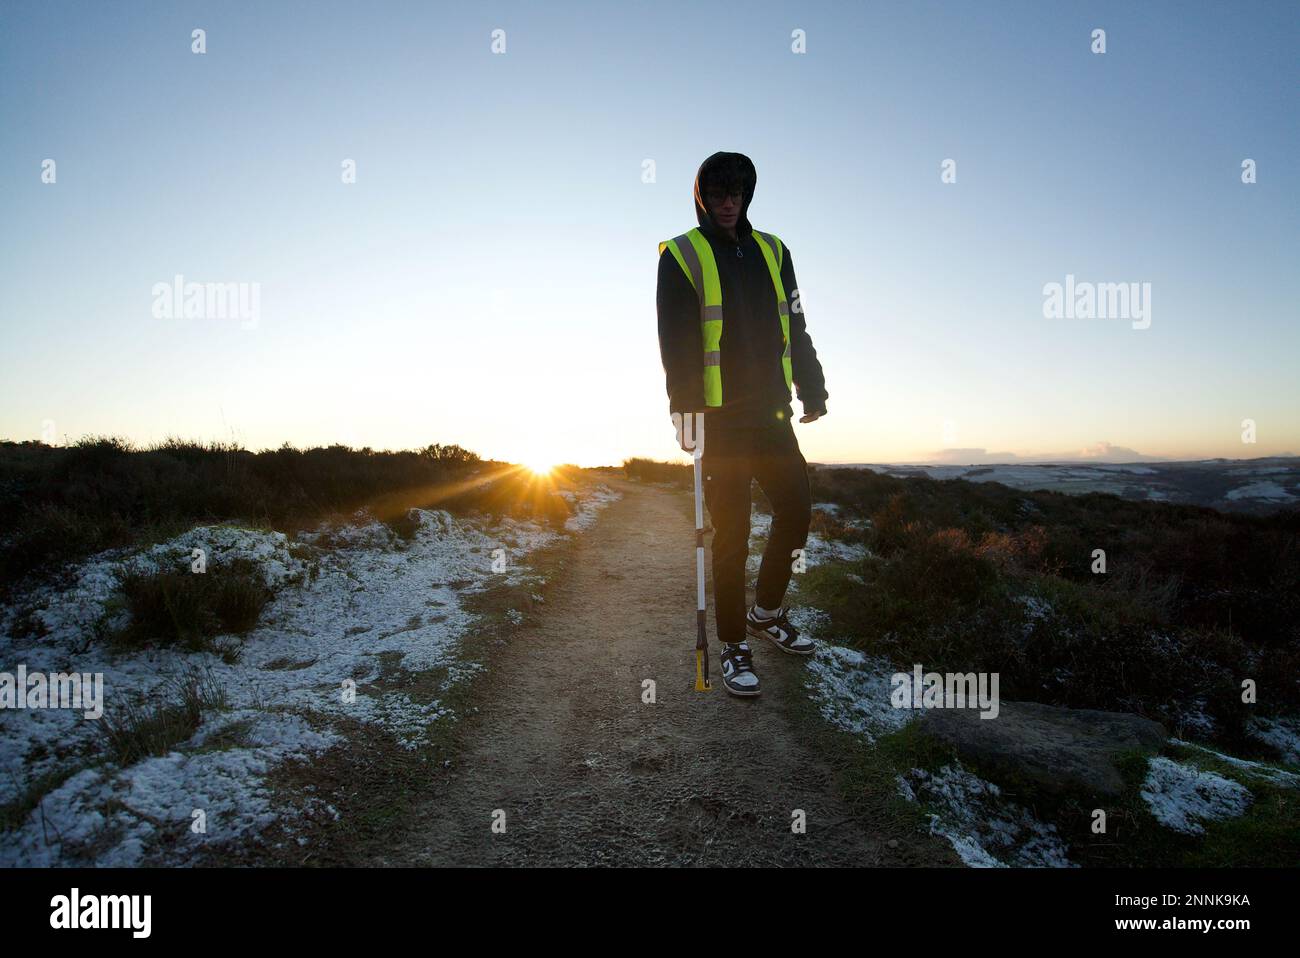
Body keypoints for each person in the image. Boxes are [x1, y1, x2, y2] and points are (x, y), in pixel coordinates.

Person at [656, 151, 829, 697]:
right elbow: (676, 342)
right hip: (720, 421)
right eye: (718, 192)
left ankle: (767, 612)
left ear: (748, 194)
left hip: (773, 414)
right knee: (730, 534)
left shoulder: (776, 252)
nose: (729, 201)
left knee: (796, 509)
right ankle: (733, 645)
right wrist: (683, 410)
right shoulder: (681, 255)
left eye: (738, 191)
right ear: (701, 195)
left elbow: (796, 325)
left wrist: (813, 384)